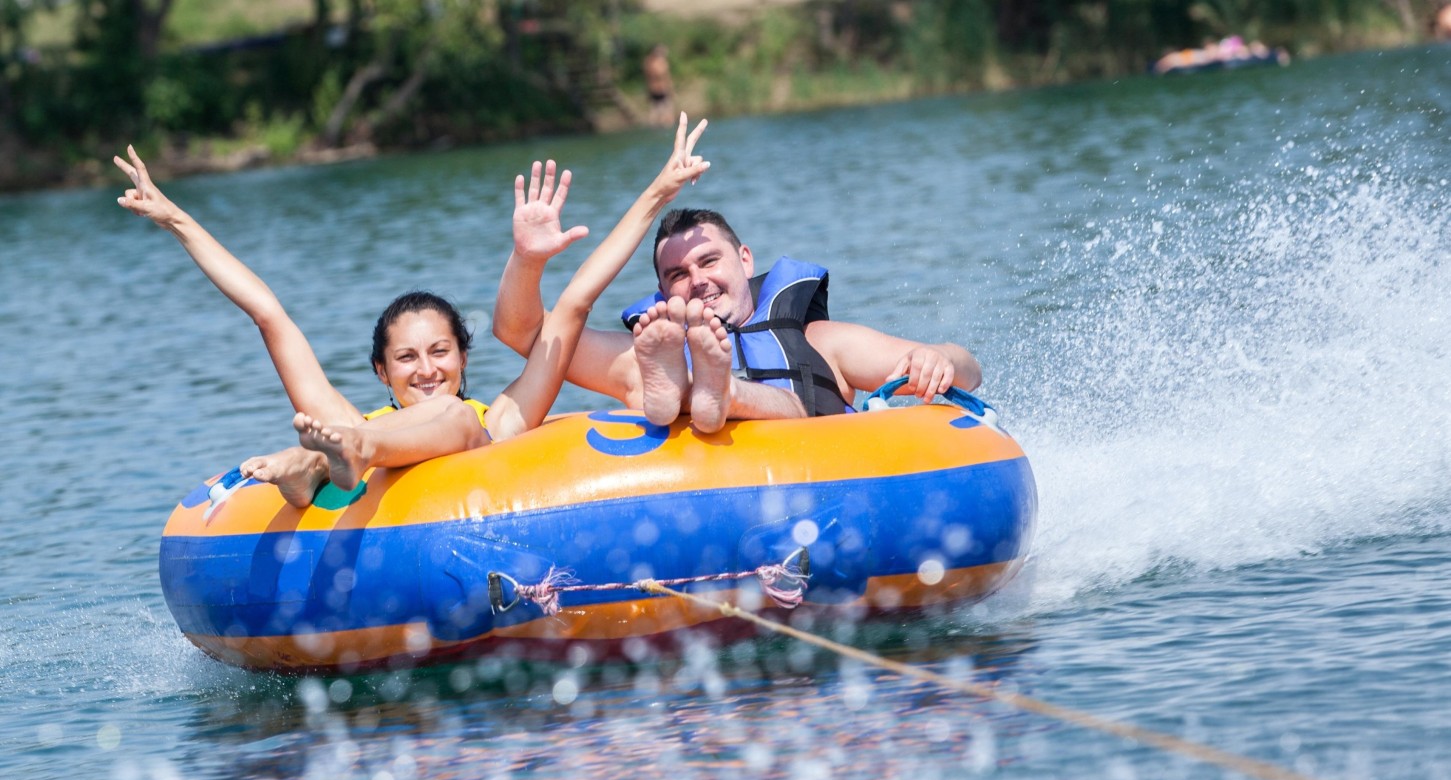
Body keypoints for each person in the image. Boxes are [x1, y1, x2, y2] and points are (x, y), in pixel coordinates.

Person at [112, 121, 708, 505]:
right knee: (365, 433)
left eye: (439, 351)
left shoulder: (502, 419)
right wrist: (178, 220)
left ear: (463, 357)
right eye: (406, 357)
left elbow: (575, 301)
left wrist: (656, 193)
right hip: (349, 446)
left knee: (453, 419)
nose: (425, 370)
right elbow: (269, 313)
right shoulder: (345, 420)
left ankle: (316, 466)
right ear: (382, 372)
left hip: (356, 448)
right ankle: (311, 466)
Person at [493, 146, 980, 434]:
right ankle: (691, 392)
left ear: (745, 260)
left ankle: (718, 392)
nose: (698, 279)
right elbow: (527, 337)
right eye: (678, 275)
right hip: (709, 504)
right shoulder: (648, 348)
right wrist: (527, 261)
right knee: (652, 371)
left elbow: (968, 370)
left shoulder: (820, 341)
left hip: (823, 478)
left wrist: (938, 358)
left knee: (761, 400)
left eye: (709, 260)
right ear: (662, 294)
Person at [642, 44, 674, 128]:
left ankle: (655, 127)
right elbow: (662, 74)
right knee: (665, 108)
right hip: (661, 88)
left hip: (653, 89)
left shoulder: (648, 62)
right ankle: (665, 127)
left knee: (655, 110)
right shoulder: (659, 63)